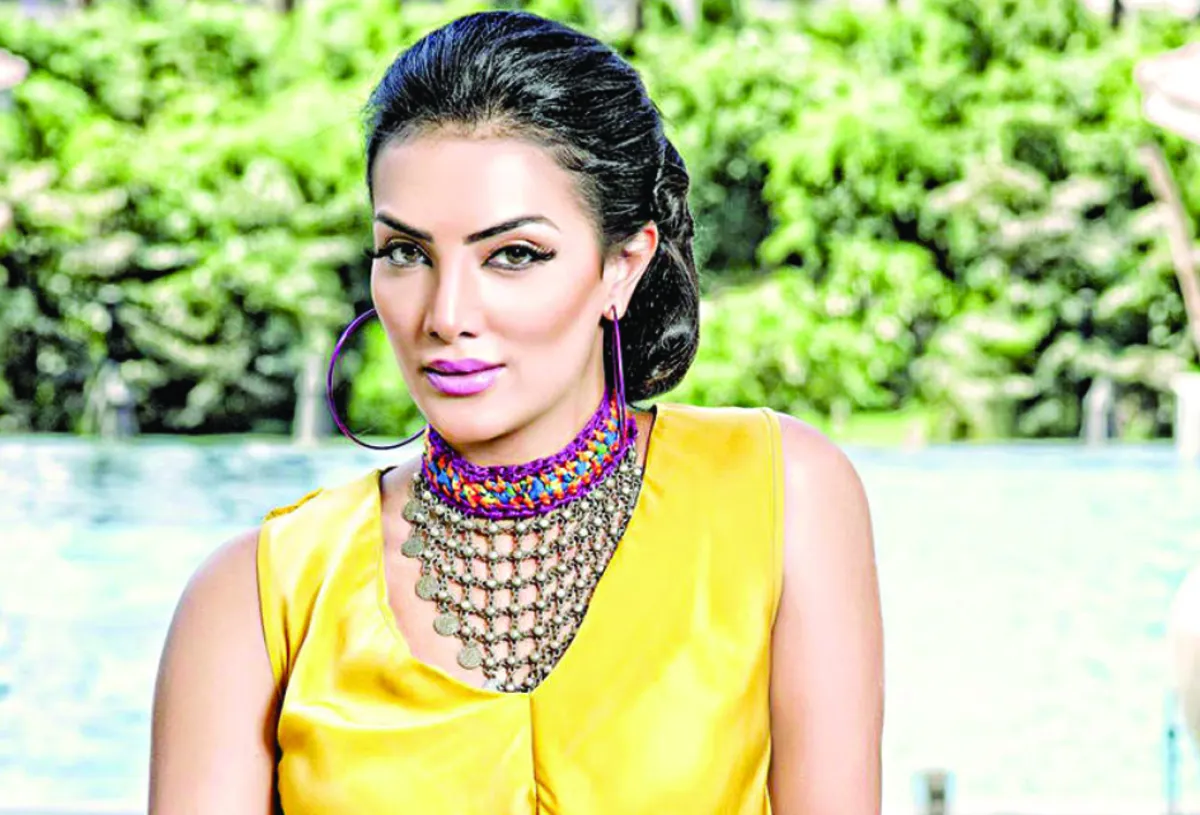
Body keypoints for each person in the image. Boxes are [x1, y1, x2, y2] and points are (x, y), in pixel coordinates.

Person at [148, 10, 883, 814]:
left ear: (621, 266)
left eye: (513, 255)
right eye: (407, 253)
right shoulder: (255, 598)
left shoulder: (779, 493)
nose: (445, 314)